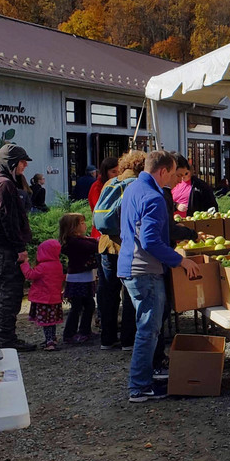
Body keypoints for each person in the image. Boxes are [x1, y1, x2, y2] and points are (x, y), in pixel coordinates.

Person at [117, 151, 199, 402]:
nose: (176, 179)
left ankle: (143, 380)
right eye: (174, 174)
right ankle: (140, 387)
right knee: (148, 330)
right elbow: (150, 240)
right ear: (162, 171)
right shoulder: (153, 197)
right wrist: (180, 260)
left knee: (146, 328)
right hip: (144, 270)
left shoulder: (132, 188)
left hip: (130, 265)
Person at [0, 144, 36, 351]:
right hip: (6, 248)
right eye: (22, 161)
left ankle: (1, 335)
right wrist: (19, 247)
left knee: (1, 293)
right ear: (12, 162)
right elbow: (9, 220)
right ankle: (6, 338)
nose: (25, 165)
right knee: (10, 295)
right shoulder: (5, 185)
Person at [97, 150, 146, 352]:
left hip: (106, 245)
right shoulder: (138, 186)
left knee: (107, 294)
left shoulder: (111, 183)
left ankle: (106, 339)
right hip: (127, 245)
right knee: (129, 295)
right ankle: (128, 339)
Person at [59, 213, 98, 345]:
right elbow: (91, 246)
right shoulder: (73, 242)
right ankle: (70, 334)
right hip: (77, 280)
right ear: (72, 227)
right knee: (77, 307)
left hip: (86, 278)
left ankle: (85, 330)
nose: (84, 225)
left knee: (89, 305)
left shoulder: (82, 240)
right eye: (81, 223)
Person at [20, 239, 64, 351]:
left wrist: (24, 263)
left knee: (46, 322)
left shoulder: (43, 267)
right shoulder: (58, 265)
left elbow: (30, 275)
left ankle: (49, 342)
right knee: (52, 321)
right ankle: (52, 338)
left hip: (43, 299)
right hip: (55, 298)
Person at [90, 157, 120, 239]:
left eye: (119, 171)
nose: (117, 175)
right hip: (101, 232)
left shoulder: (118, 186)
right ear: (105, 172)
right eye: (113, 172)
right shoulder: (97, 187)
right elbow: (101, 209)